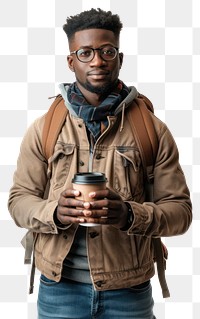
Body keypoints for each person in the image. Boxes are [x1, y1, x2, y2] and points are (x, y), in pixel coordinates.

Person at [8, 8, 192, 319]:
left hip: (129, 291)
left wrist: (129, 214)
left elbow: (180, 212)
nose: (97, 61)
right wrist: (54, 211)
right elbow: (18, 202)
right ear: (71, 61)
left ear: (120, 58)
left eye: (107, 51)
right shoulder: (44, 128)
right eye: (85, 52)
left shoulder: (152, 130)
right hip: (59, 290)